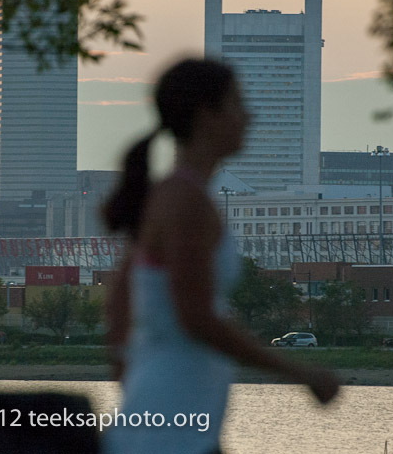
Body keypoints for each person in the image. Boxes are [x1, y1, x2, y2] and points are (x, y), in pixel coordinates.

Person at [101, 58, 339, 454]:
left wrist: (137, 375)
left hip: (171, 418)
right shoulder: (187, 202)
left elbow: (118, 306)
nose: (248, 116)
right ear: (206, 116)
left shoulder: (174, 194)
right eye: (236, 103)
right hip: (174, 429)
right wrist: (302, 372)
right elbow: (196, 318)